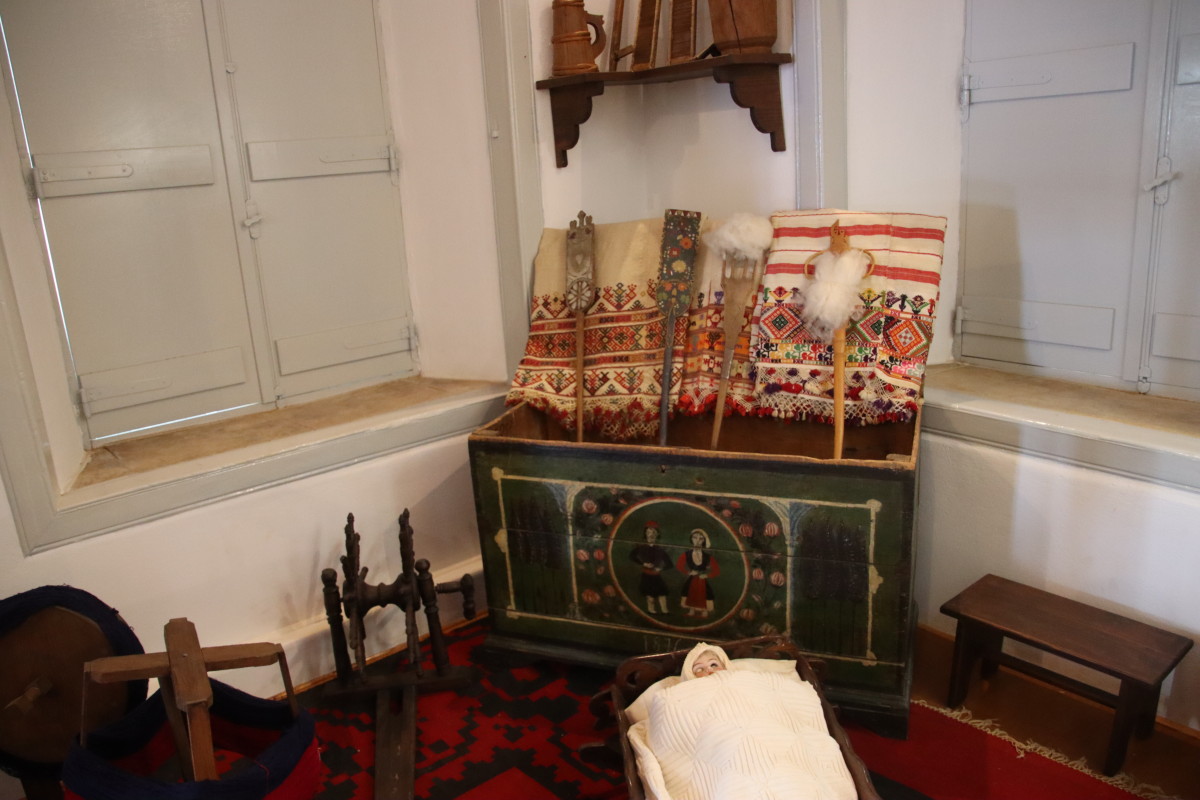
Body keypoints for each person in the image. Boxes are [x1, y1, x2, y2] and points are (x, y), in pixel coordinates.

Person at [629, 521, 672, 614]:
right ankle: (651, 611)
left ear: (657, 534)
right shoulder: (641, 547)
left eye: (653, 533)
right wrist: (643, 563)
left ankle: (665, 611)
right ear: (645, 534)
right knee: (650, 595)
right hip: (646, 575)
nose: (651, 535)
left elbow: (669, 564)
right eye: (648, 532)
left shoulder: (660, 549)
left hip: (656, 575)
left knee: (662, 594)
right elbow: (632, 556)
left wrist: (660, 568)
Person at [677, 528, 720, 617]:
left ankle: (704, 611)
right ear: (691, 539)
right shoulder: (687, 554)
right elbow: (679, 565)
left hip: (702, 580)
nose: (697, 541)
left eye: (700, 538)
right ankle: (691, 610)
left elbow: (716, 570)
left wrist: (706, 575)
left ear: (704, 541)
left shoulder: (707, 556)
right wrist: (689, 572)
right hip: (692, 579)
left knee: (704, 594)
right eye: (695, 537)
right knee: (690, 593)